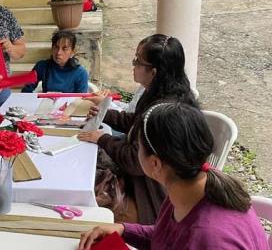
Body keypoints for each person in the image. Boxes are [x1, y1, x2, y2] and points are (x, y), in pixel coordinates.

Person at [79, 103, 268, 250]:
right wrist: (123, 230)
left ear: (155, 164)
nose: (134, 152)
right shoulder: (191, 184)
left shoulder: (210, 238)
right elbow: (167, 237)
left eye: (137, 147)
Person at [78, 34, 199, 224]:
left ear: (154, 72)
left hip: (153, 201)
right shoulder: (157, 94)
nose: (133, 65)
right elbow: (135, 121)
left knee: (86, 204)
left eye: (138, 61)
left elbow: (135, 161)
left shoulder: (163, 114)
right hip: (143, 185)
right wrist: (105, 113)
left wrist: (103, 139)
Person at [22, 31, 89, 93]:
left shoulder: (80, 73)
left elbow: (82, 100)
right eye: (56, 47)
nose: (58, 52)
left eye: (64, 49)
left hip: (71, 105)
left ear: (72, 52)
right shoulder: (42, 66)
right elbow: (26, 91)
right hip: (46, 105)